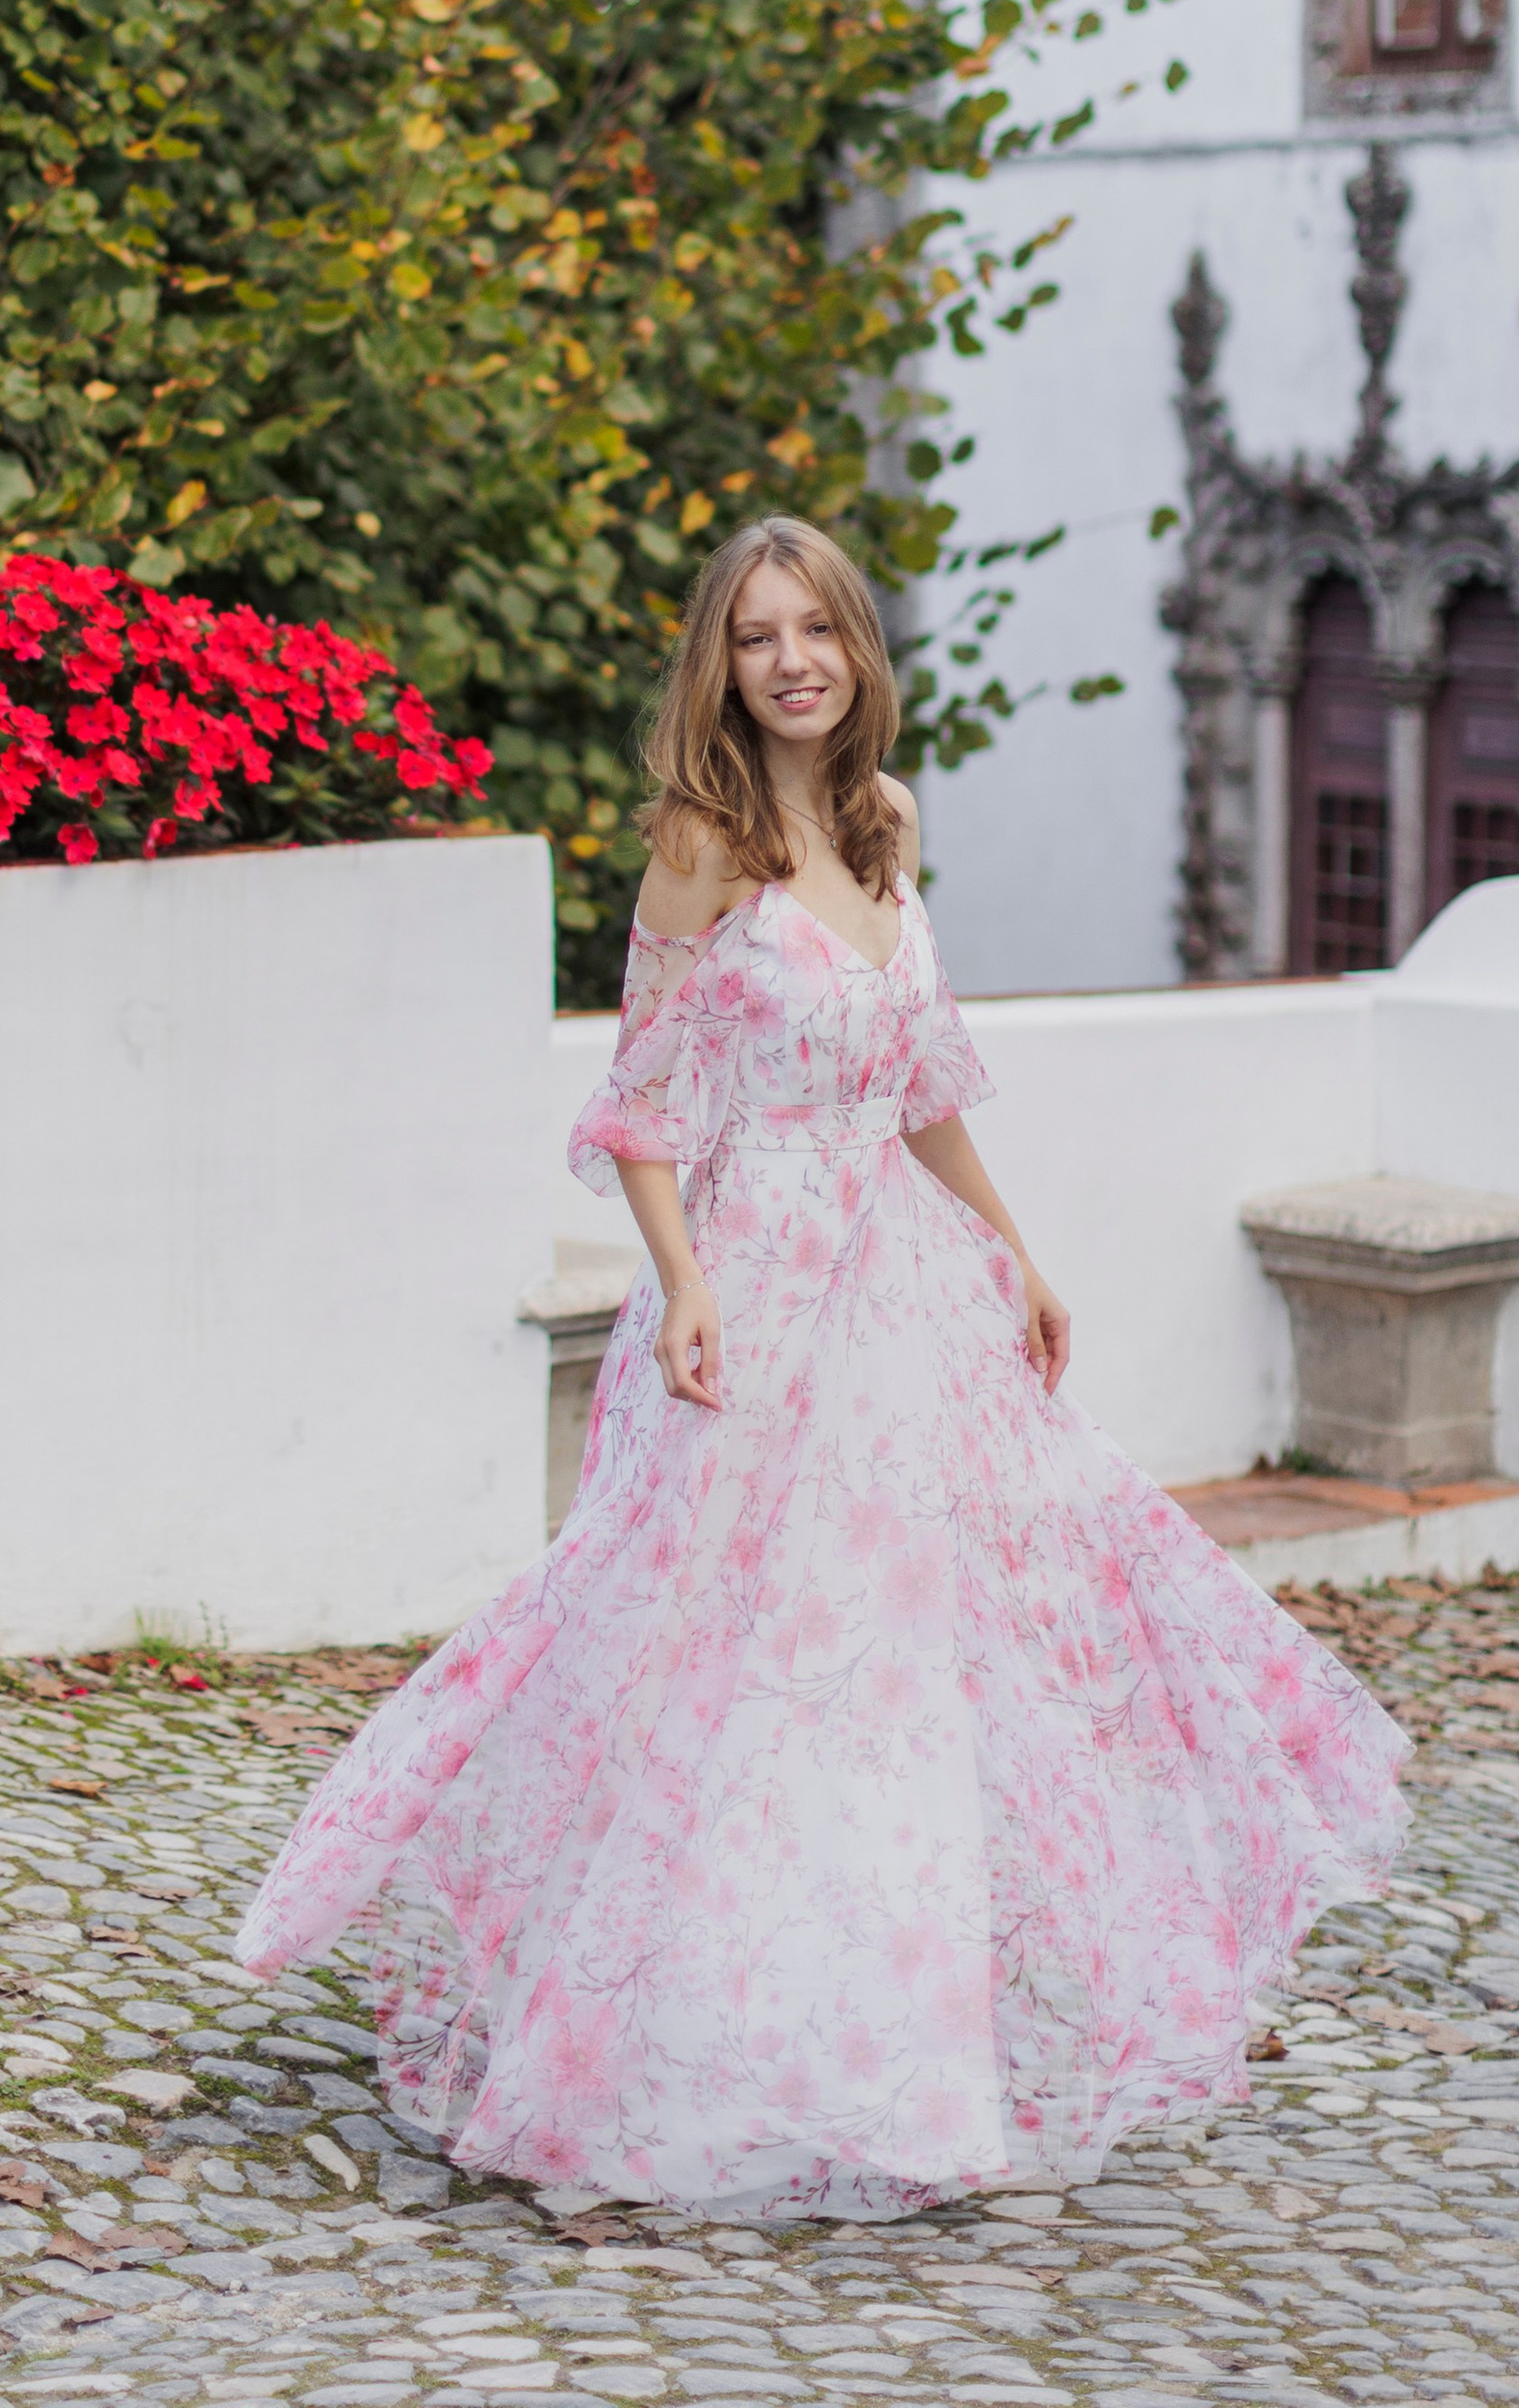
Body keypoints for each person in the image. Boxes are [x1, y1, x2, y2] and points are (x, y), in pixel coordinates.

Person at [235, 515, 1409, 2218]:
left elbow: (919, 1074)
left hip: (904, 1295)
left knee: (920, 1663)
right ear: (719, 663)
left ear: (858, 652)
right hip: (758, 1294)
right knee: (716, 1661)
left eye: (820, 632)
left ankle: (901, 2069)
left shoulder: (889, 822)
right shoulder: (702, 845)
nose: (792, 661)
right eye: (758, 635)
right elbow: (641, 1101)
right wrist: (685, 1276)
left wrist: (1014, 1246)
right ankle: (649, 2042)